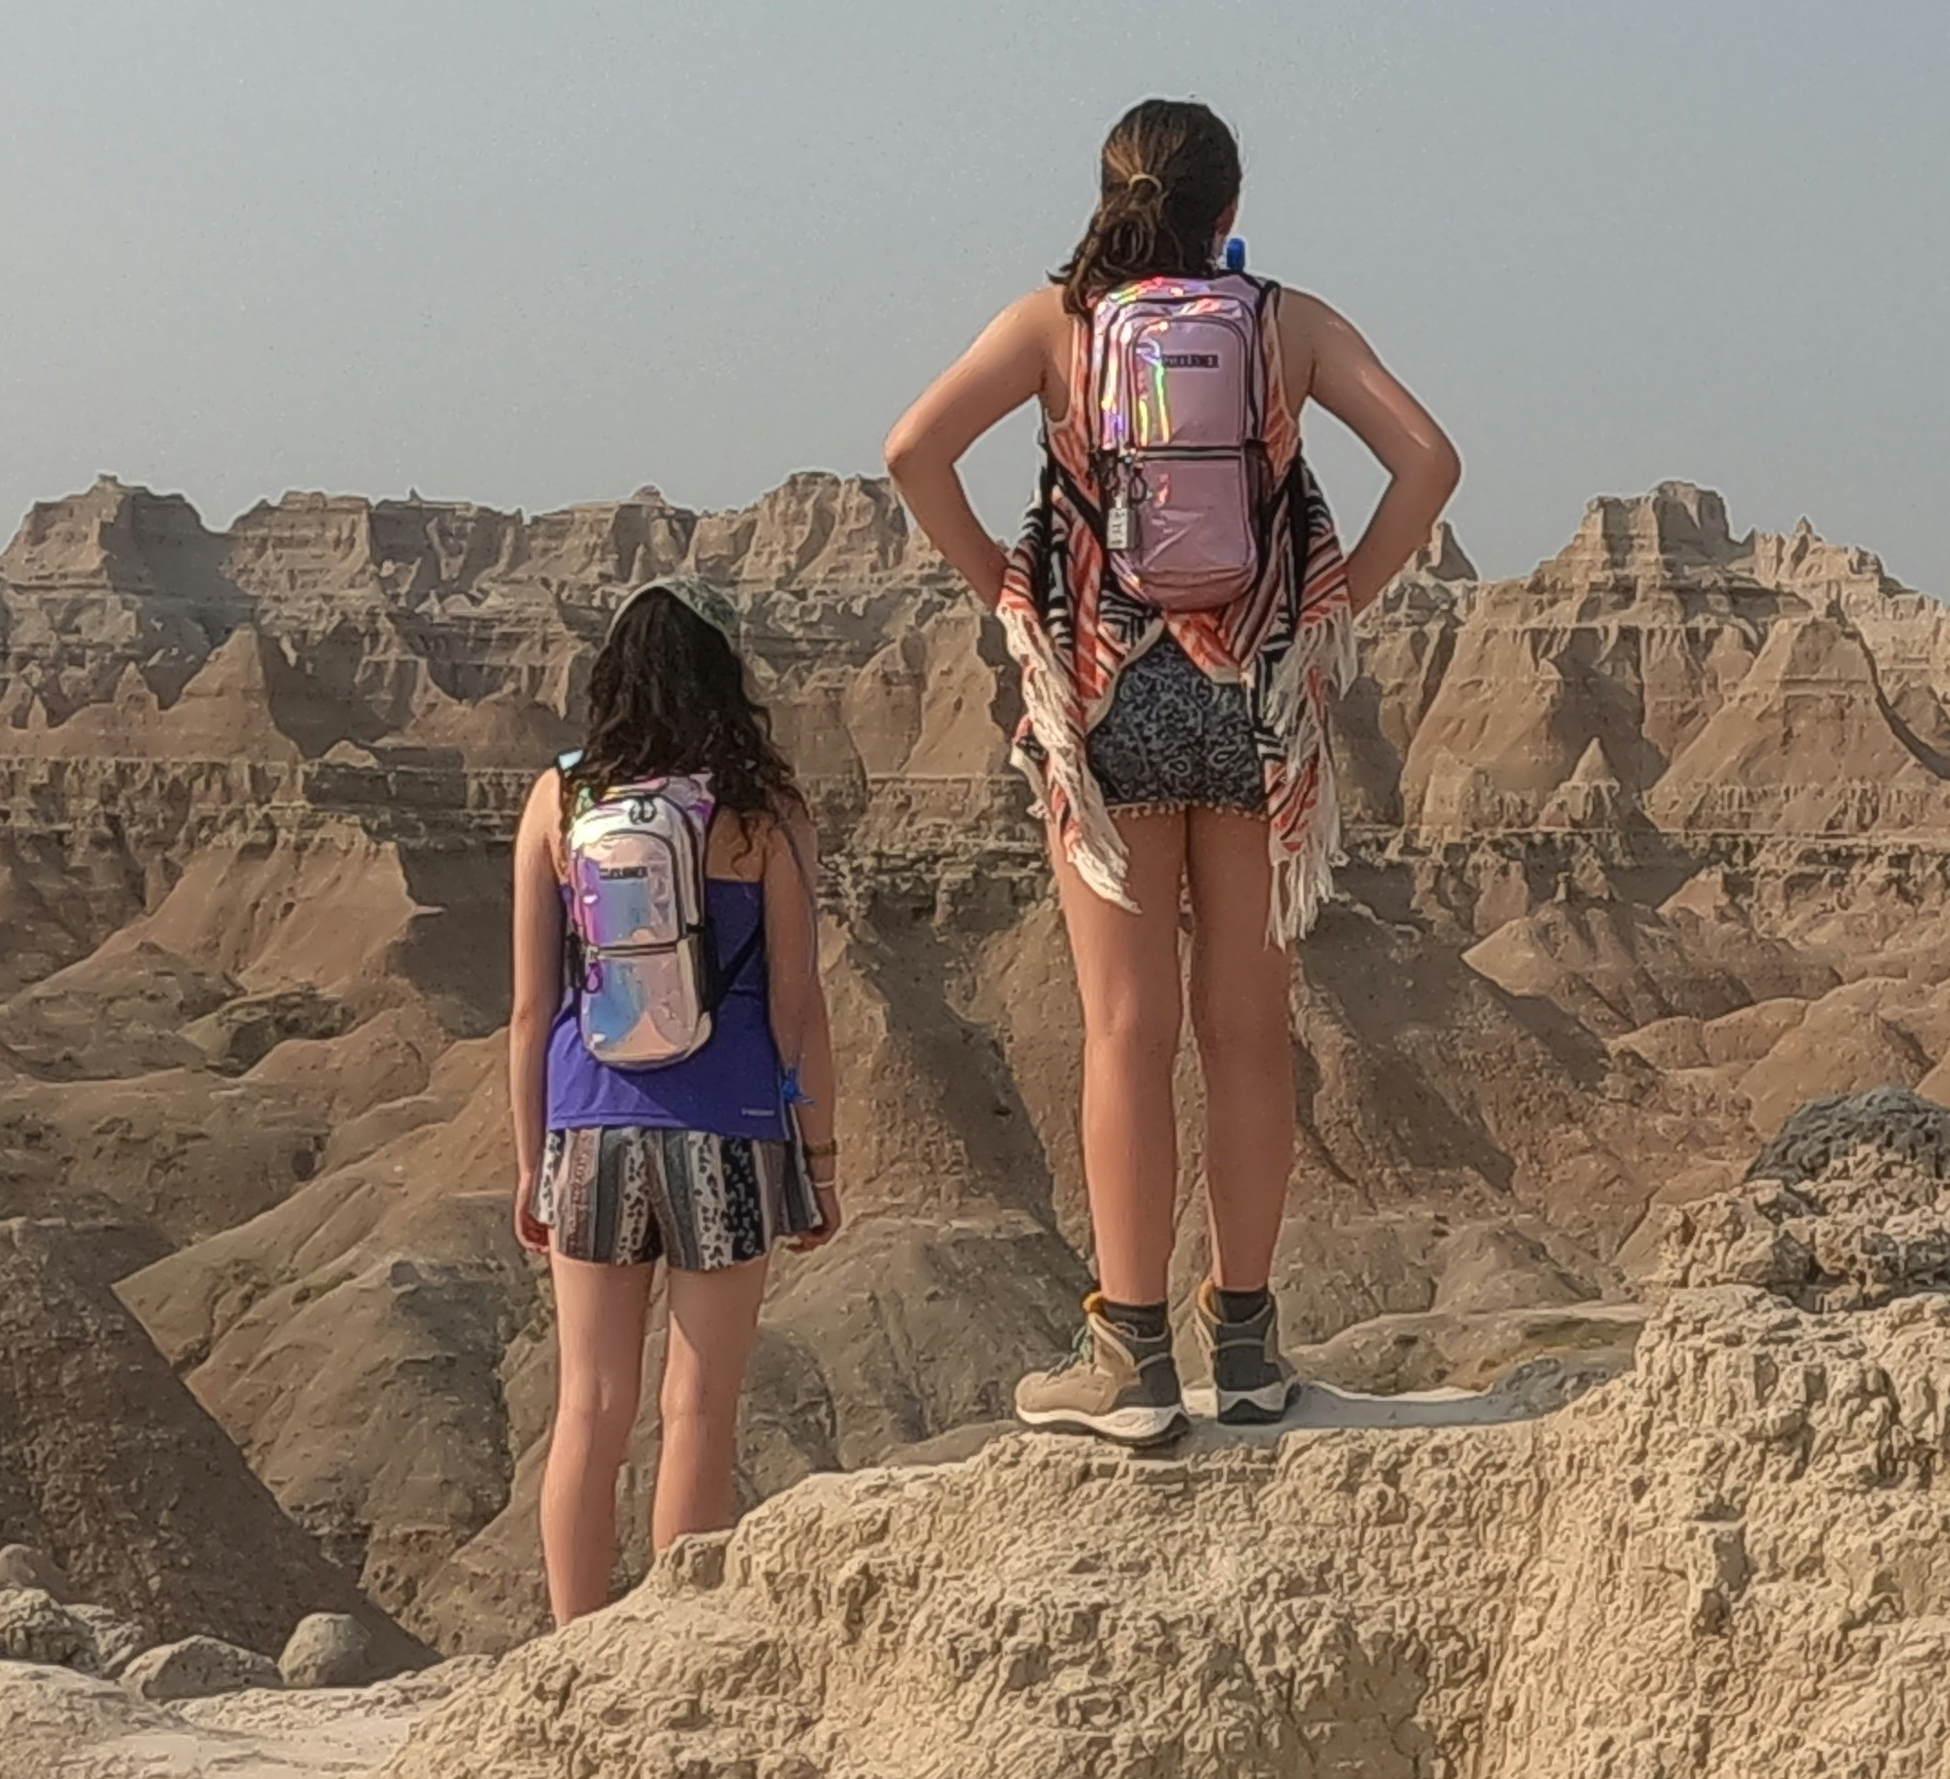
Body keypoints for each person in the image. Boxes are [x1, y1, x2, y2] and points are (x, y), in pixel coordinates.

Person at [883, 96, 1459, 1448]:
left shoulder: (1055, 325)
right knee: (1248, 1033)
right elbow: (1430, 462)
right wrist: (1335, 608)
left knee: (1126, 1035)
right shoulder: (1288, 323)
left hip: (1106, 698)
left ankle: (1129, 1360)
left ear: (1105, 192)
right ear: (1229, 200)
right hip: (1255, 697)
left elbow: (913, 451)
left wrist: (1014, 598)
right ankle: (1248, 1346)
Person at [504, 583, 840, 1618]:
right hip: (727, 1128)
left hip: (591, 1123)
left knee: (589, 1406)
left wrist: (532, 1164)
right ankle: (675, 1642)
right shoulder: (762, 808)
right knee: (698, 1406)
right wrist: (815, 1158)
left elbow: (528, 1006)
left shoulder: (560, 800)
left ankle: (572, 1648)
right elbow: (798, 1002)